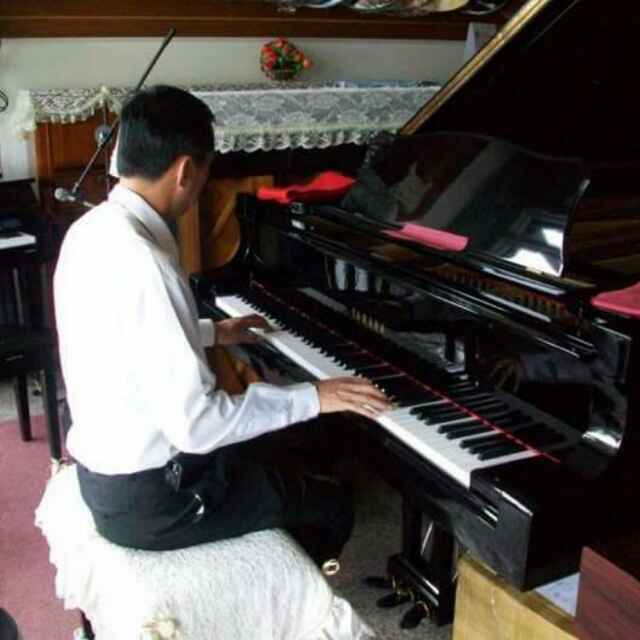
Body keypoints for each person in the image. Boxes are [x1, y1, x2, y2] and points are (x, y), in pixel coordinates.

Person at [53, 85, 391, 566]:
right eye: (208, 168)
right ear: (186, 171)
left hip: (110, 475)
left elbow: (125, 342)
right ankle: (280, 595)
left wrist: (215, 332)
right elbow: (197, 427)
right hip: (156, 501)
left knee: (292, 444)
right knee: (328, 505)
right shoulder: (147, 262)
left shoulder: (92, 230)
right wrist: (315, 396)